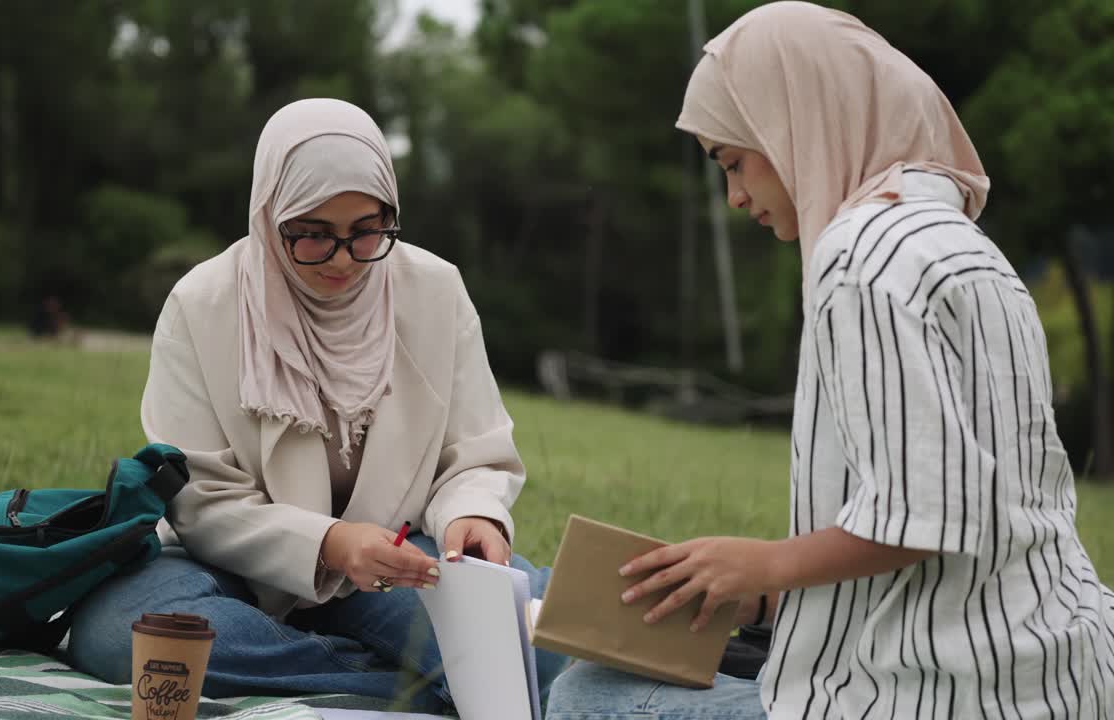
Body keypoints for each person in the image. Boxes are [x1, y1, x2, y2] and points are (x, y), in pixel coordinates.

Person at [545, 3, 1114, 718]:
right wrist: (762, 593)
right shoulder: (974, 252)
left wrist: (762, 561)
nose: (735, 197)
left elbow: (926, 514)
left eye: (735, 161)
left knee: (584, 695)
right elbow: (983, 514)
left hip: (931, 693)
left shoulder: (859, 259)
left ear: (796, 121)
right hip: (1058, 675)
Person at [66, 98, 567, 712]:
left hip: (397, 559)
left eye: (366, 231)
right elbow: (200, 498)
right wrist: (329, 545)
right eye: (313, 236)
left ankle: (385, 673)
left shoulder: (434, 291)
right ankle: (400, 684)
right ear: (269, 214)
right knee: (128, 637)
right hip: (235, 570)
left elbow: (474, 452)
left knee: (540, 638)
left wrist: (476, 515)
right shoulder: (202, 305)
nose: (341, 260)